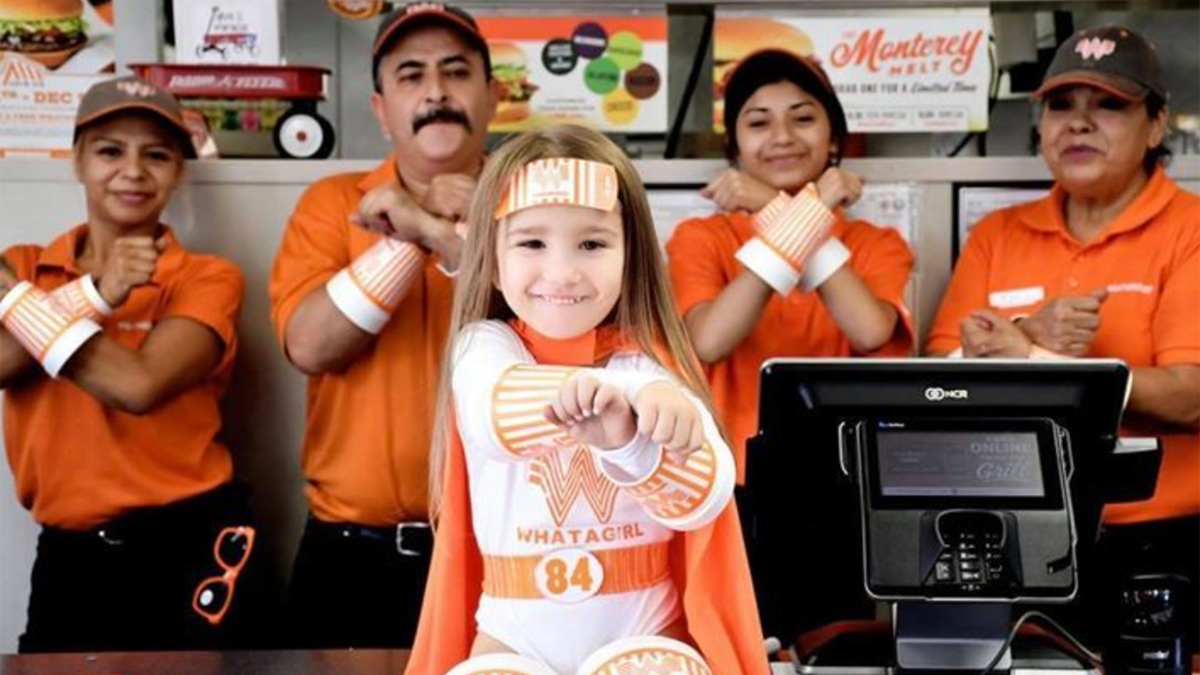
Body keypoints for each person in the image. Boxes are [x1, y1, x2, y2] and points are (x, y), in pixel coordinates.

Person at [405, 125, 768, 675]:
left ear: (631, 256)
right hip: (510, 637)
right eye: (531, 242)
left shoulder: (649, 363)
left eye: (592, 243)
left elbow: (704, 498)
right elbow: (496, 417)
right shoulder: (485, 348)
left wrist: (638, 440)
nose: (563, 272)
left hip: (645, 632)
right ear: (491, 257)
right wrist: (630, 404)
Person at [926, 26, 1200, 646]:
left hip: (1161, 542)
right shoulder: (999, 233)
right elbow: (939, 372)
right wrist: (1027, 336)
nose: (1078, 124)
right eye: (1061, 105)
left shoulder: (1190, 230)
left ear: (1156, 125)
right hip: (1011, 538)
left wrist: (1029, 356)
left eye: (1107, 105)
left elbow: (1190, 398)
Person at [664, 48, 914, 643]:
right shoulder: (699, 236)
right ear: (735, 150)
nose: (781, 136)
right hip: (726, 491)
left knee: (830, 653)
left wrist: (777, 212)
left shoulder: (877, 242)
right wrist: (805, 211)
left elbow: (869, 328)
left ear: (834, 141)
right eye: (757, 121)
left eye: (802, 118)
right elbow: (712, 336)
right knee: (733, 650)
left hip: (842, 493)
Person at [268, 2, 495, 648]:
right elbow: (311, 343)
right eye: (411, 75)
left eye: (455, 72)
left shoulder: (536, 205)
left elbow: (563, 340)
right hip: (352, 558)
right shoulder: (334, 204)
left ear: (493, 94)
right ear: (379, 107)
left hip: (505, 551)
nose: (436, 92)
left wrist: (431, 227)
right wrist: (410, 236)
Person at [0, 76, 253, 652]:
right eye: (111, 150)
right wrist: (95, 292)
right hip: (67, 551)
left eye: (156, 154)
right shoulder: (26, 265)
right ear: (78, 162)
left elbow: (138, 386)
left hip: (187, 542)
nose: (133, 170)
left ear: (178, 172)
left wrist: (18, 301)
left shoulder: (207, 277)